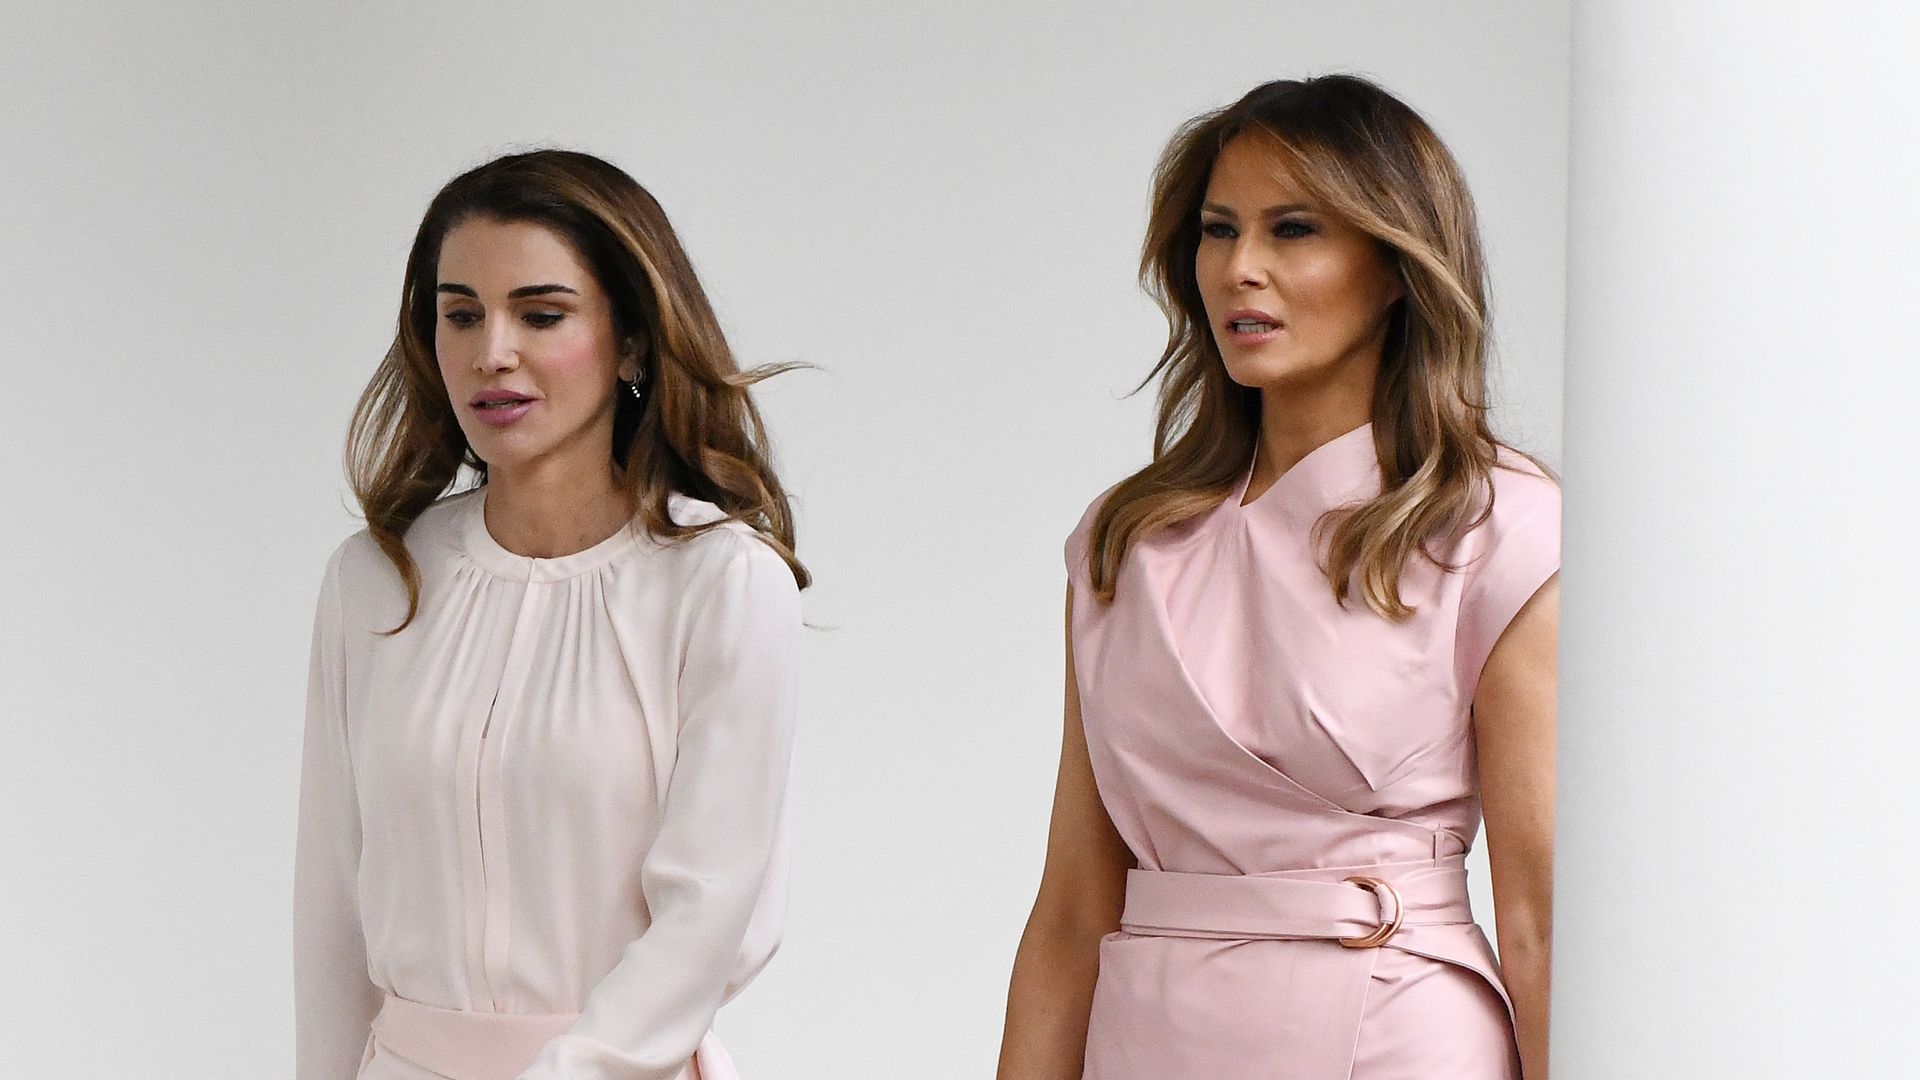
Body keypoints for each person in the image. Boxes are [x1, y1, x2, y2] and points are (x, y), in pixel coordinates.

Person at [997, 76, 1560, 1079]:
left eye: (1293, 229)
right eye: (1219, 231)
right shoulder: (1121, 543)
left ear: (1395, 266)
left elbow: (1538, 919)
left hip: (1395, 1038)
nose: (1241, 269)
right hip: (1150, 1041)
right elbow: (1072, 913)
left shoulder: (1499, 528)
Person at [294, 149, 807, 1080]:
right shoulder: (377, 579)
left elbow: (710, 914)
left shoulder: (723, 582)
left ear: (635, 342)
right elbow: (332, 908)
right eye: (461, 314)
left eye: (541, 314)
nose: (493, 351)